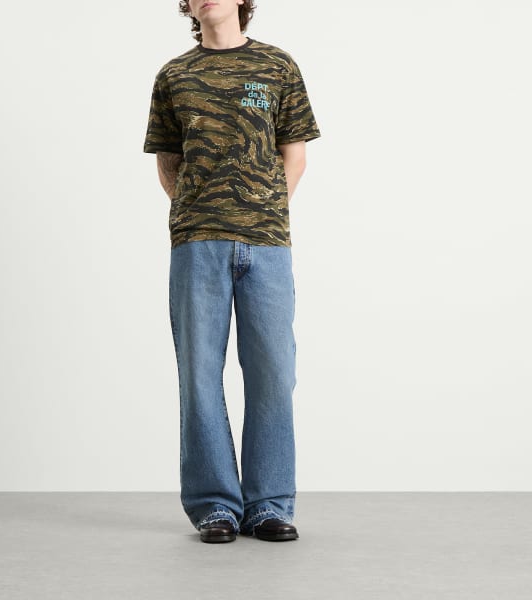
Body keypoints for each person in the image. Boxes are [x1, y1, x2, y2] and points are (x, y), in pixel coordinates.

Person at [143, 0, 321, 543]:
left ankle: (268, 504)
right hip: (197, 244)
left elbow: (295, 154)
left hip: (267, 243)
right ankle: (215, 506)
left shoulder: (277, 66)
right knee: (200, 375)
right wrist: (200, 212)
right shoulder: (174, 75)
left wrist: (262, 210)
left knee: (273, 373)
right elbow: (168, 161)